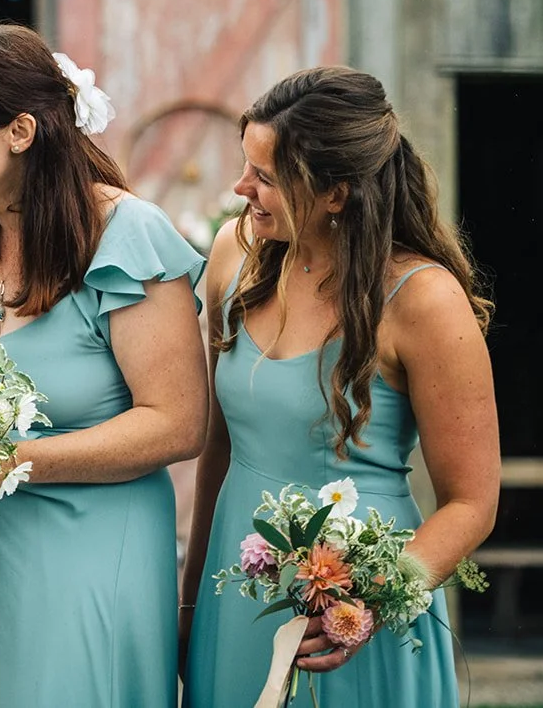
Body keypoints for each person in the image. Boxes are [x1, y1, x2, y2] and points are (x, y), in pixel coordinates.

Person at [0, 23, 207, 708]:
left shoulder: (129, 236)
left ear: (22, 131)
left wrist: (7, 460)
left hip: (90, 553)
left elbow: (179, 424)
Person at [181, 67, 499, 706]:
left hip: (356, 605)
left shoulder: (424, 300)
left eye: (266, 178)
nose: (241, 189)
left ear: (336, 193)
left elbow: (472, 502)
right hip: (234, 590)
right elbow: (217, 450)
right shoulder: (232, 257)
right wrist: (190, 602)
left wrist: (369, 601)